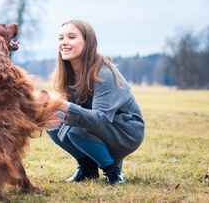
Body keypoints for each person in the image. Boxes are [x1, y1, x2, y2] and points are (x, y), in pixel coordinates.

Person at [46, 20, 145, 186]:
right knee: (51, 119)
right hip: (101, 126)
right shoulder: (69, 73)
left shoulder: (104, 73)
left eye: (71, 37)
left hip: (126, 130)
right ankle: (87, 168)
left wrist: (61, 104)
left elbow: (100, 119)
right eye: (61, 38)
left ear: (88, 42)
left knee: (75, 127)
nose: (64, 42)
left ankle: (113, 172)